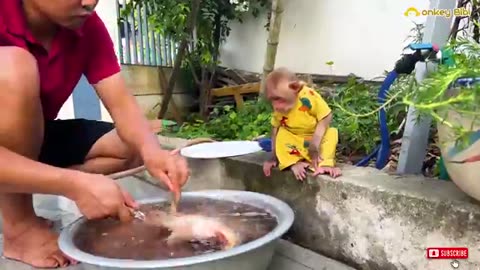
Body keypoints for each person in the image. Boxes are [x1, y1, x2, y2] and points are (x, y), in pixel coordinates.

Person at [0, 0, 189, 268]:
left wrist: (153, 152)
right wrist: (72, 184)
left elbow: (122, 104)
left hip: (37, 133)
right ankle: (19, 228)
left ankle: (22, 178)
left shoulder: (87, 28)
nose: (90, 1)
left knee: (132, 147)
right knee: (13, 67)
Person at [262, 68, 342, 181]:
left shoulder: (308, 96)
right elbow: (275, 130)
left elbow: (326, 116)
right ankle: (294, 162)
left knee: (331, 133)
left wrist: (315, 143)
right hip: (294, 138)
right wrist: (273, 157)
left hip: (315, 136)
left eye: (279, 99)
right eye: (272, 100)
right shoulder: (279, 109)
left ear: (296, 88)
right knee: (282, 133)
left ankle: (325, 164)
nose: (276, 106)